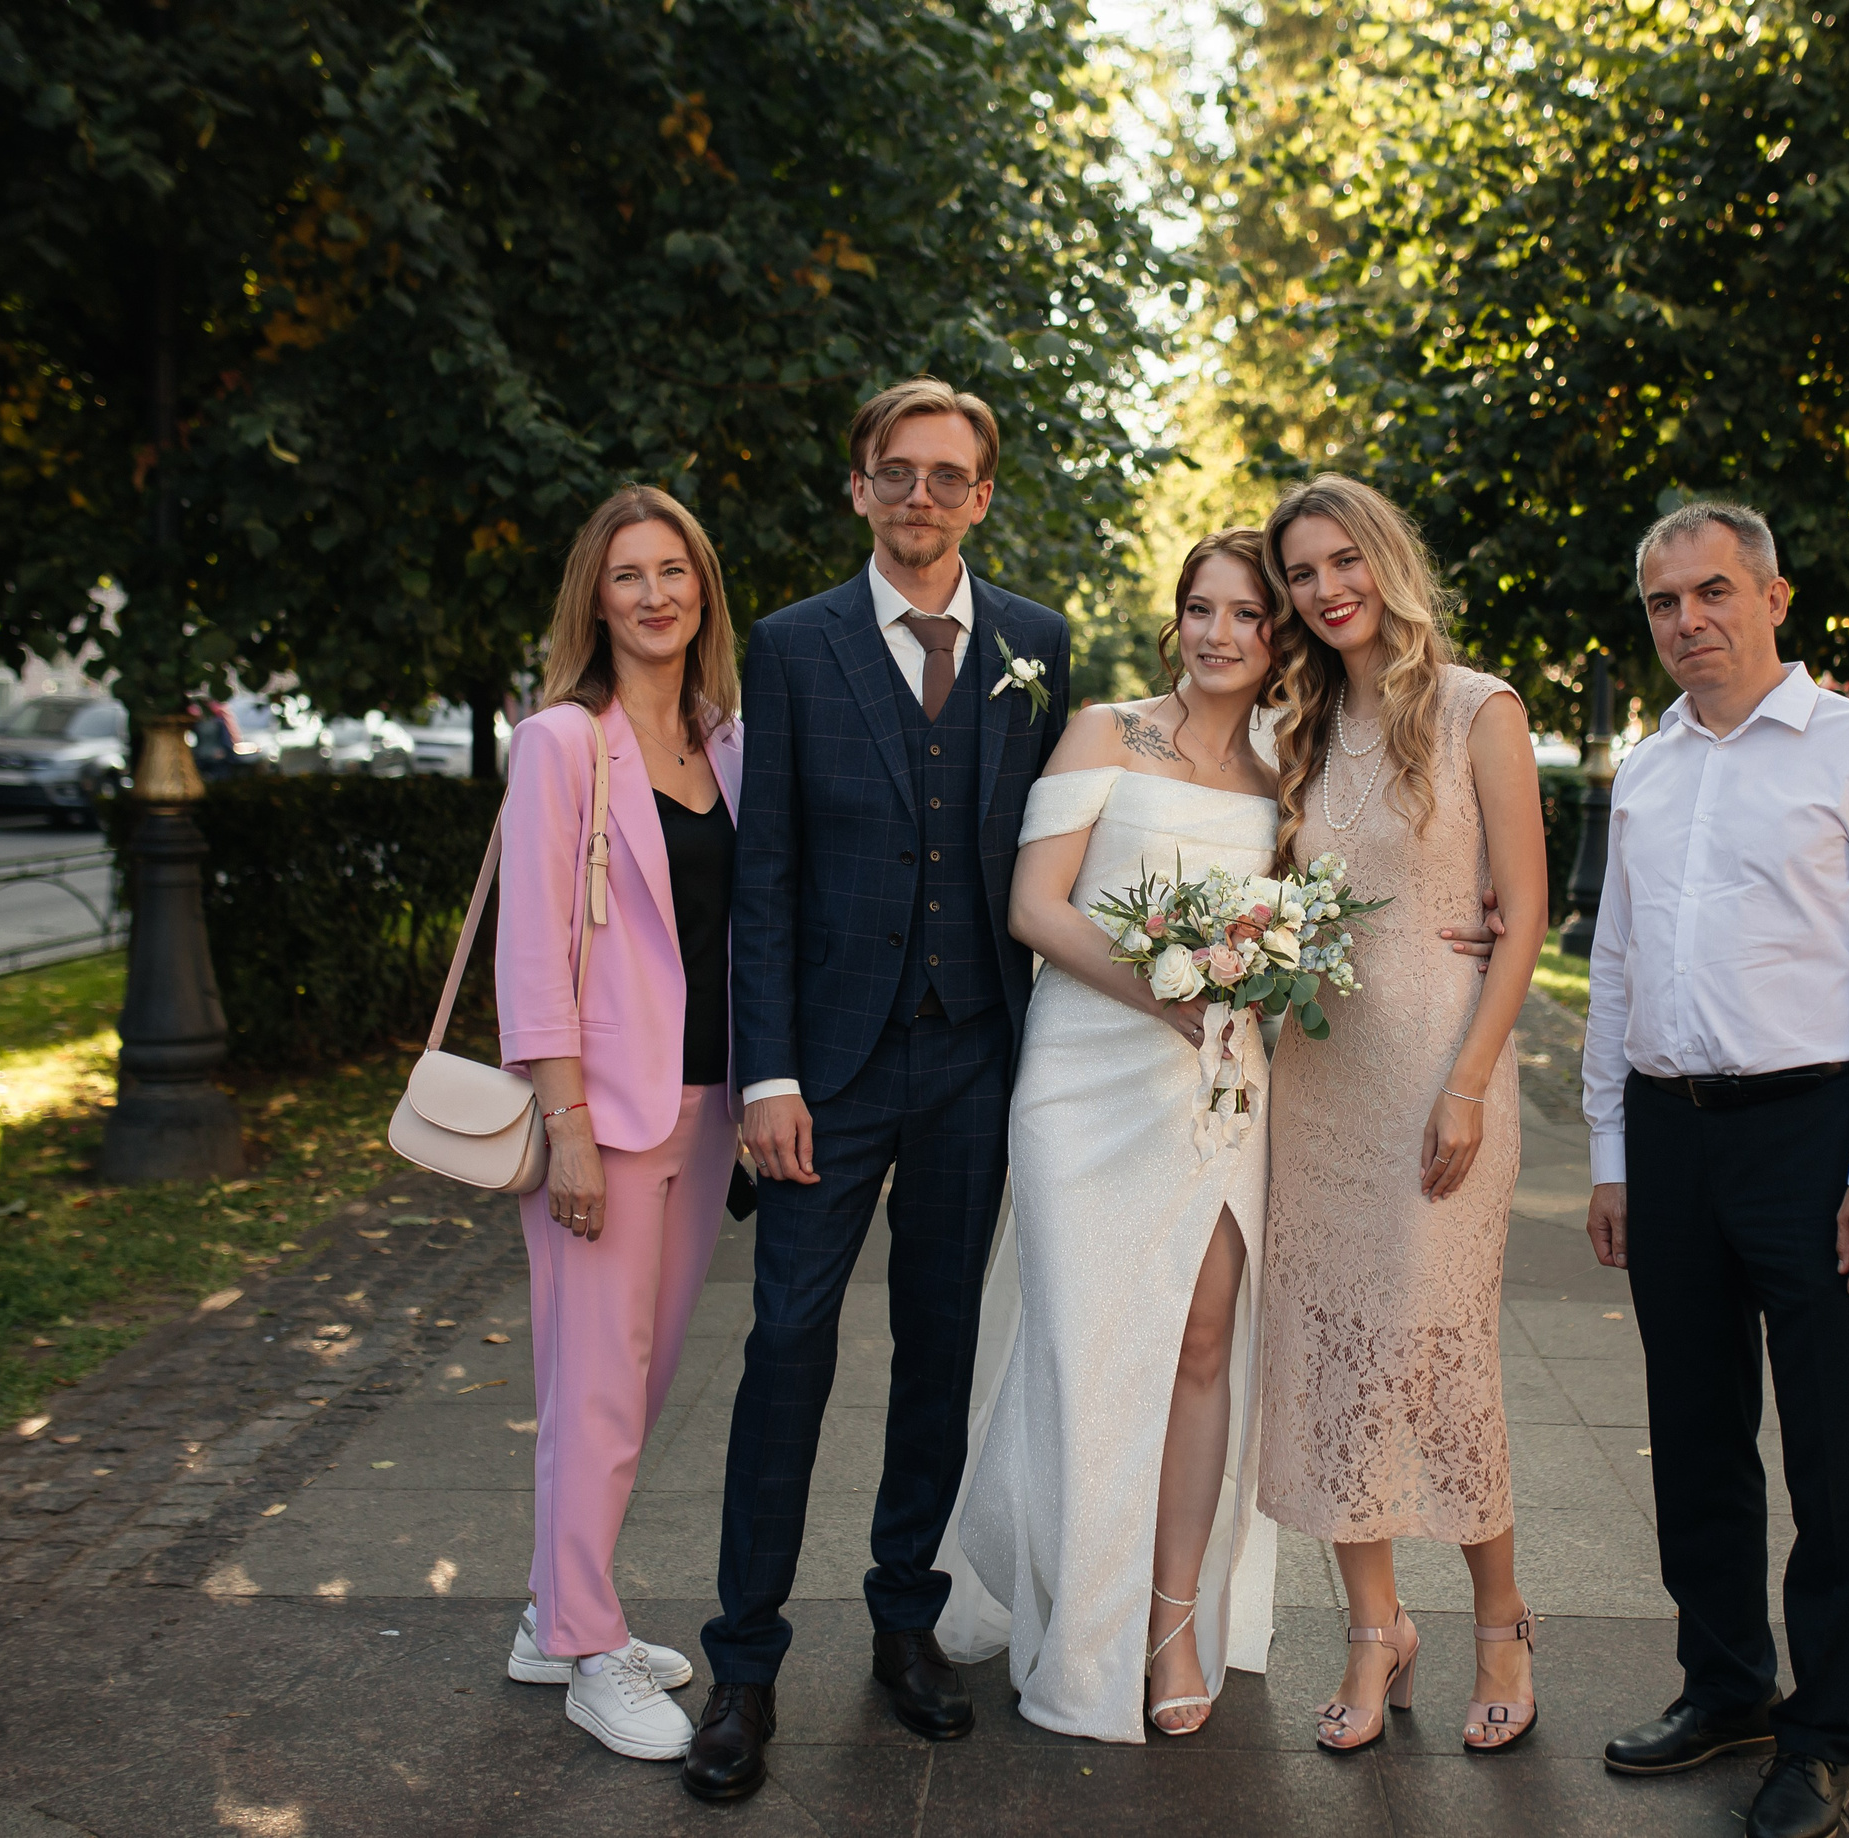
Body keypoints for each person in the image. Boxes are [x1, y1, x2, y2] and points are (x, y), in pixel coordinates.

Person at [687, 377, 1074, 1802]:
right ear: (859, 488)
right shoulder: (791, 648)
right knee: (787, 1343)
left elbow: (1062, 845)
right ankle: (742, 1659)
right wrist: (767, 1073)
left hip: (974, 1050)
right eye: (896, 473)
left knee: (938, 1343)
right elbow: (765, 874)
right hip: (826, 1073)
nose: (923, 496)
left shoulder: (1037, 643)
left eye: (949, 475)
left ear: (983, 494)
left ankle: (905, 1620)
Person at [1581, 502, 1849, 1838]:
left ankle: (1822, 1730)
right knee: (1693, 1431)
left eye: (1715, 591)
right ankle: (1727, 1682)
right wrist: (1615, 1152)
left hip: (1817, 1131)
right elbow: (1616, 967)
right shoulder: (1648, 769)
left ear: (1775, 596)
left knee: (1836, 1453)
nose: (1690, 619)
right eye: (1666, 601)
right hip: (1674, 1131)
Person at [933, 529, 1289, 1741]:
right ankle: (1078, 1619)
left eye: (1246, 612)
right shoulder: (1101, 731)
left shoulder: (1287, 771)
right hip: (1085, 1079)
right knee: (1087, 1349)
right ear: (1174, 619)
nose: (1219, 632)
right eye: (1201, 607)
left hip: (1218, 1089)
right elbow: (1035, 905)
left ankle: (1171, 1617)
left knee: (1202, 1338)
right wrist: (1167, 987)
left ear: (1278, 633)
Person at [1254, 475, 1552, 1758]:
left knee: (1435, 1354)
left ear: (1383, 558)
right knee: (1324, 1354)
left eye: (1341, 563)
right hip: (1317, 1078)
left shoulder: (1482, 706)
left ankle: (1500, 1618)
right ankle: (1375, 1628)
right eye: (1302, 575)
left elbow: (1526, 910)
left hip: (1441, 1071)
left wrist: (1472, 1079)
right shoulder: (1296, 729)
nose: (1326, 591)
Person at [494, 484, 746, 1762]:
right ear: (596, 598)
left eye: (674, 571)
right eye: (628, 575)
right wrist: (568, 1121)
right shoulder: (560, 742)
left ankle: (554, 1610)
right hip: (605, 1111)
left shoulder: (726, 739)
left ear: (702, 587)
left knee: (631, 1382)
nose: (655, 594)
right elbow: (532, 946)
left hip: (703, 1105)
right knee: (594, 1386)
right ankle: (592, 1649)